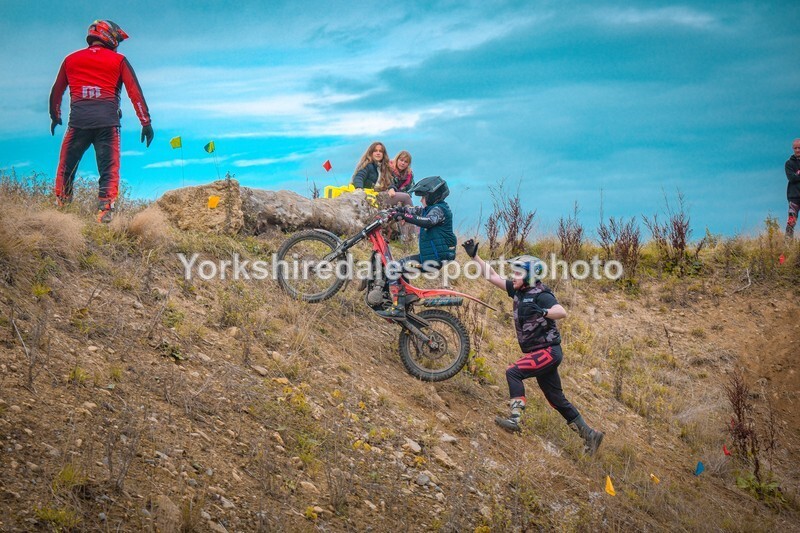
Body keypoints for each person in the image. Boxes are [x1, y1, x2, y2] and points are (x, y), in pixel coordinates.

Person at [461, 241, 604, 455]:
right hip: (540, 353)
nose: (513, 275)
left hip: (548, 351)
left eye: (518, 272)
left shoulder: (541, 293)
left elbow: (561, 311)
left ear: (529, 275)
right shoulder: (518, 291)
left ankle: (515, 419)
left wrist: (545, 312)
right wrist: (475, 257)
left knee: (513, 372)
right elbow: (492, 277)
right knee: (556, 398)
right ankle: (590, 435)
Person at [49, 20, 153, 223]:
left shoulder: (70, 60)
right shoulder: (119, 60)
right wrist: (145, 122)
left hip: (78, 122)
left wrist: (55, 116)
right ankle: (105, 211)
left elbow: (56, 92)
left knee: (66, 167)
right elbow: (135, 93)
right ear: (110, 37)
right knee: (108, 169)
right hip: (108, 124)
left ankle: (62, 204)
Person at [376, 176, 457, 319]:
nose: (421, 200)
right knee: (401, 267)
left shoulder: (439, 210)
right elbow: (413, 210)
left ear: (432, 196)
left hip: (434, 259)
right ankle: (406, 299)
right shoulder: (430, 208)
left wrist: (404, 217)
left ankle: (398, 307)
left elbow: (427, 222)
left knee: (394, 267)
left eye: (423, 197)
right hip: (430, 256)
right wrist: (396, 211)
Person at [785, 138, 800, 239]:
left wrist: (797, 174)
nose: (798, 150)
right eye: (796, 148)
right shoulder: (789, 163)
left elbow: (795, 177)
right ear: (793, 149)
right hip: (794, 197)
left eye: (799, 148)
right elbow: (792, 178)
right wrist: (796, 176)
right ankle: (788, 246)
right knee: (791, 221)